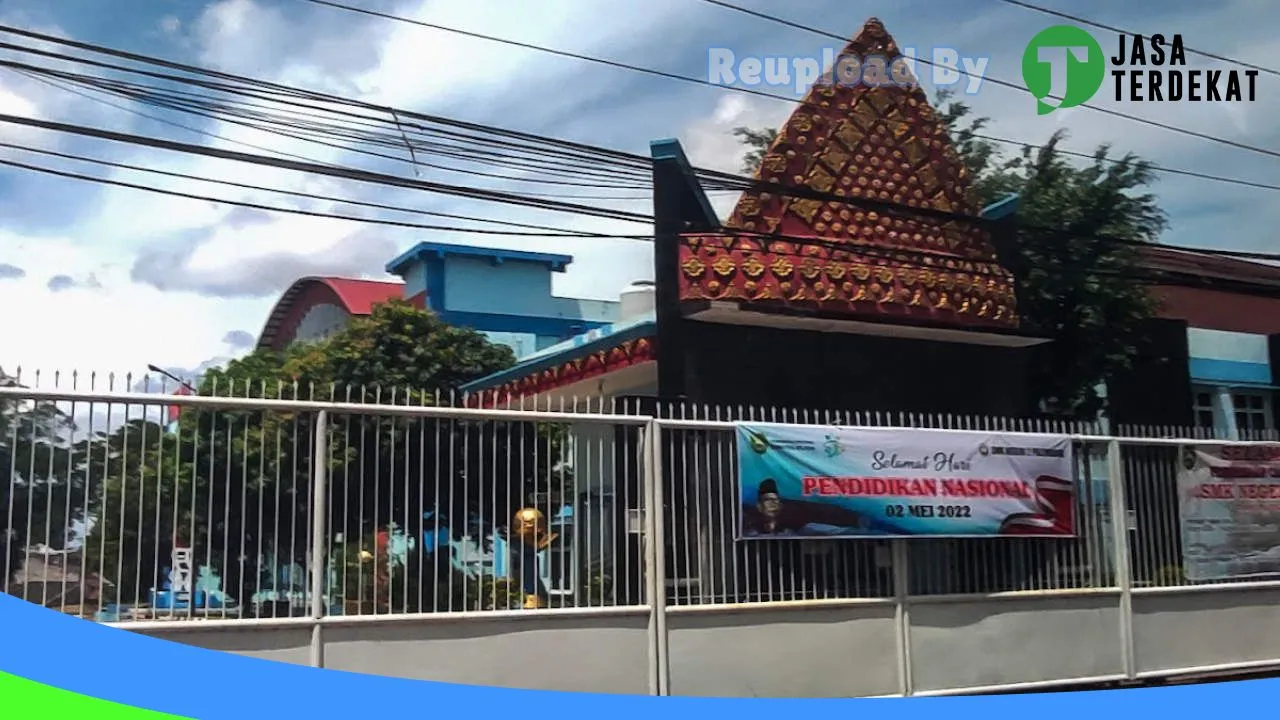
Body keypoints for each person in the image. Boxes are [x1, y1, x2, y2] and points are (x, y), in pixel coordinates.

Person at [741, 478, 868, 537]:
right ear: (759, 505)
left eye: (776, 500)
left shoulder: (796, 520)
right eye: (768, 500)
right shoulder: (750, 522)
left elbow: (820, 510)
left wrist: (855, 519)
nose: (773, 503)